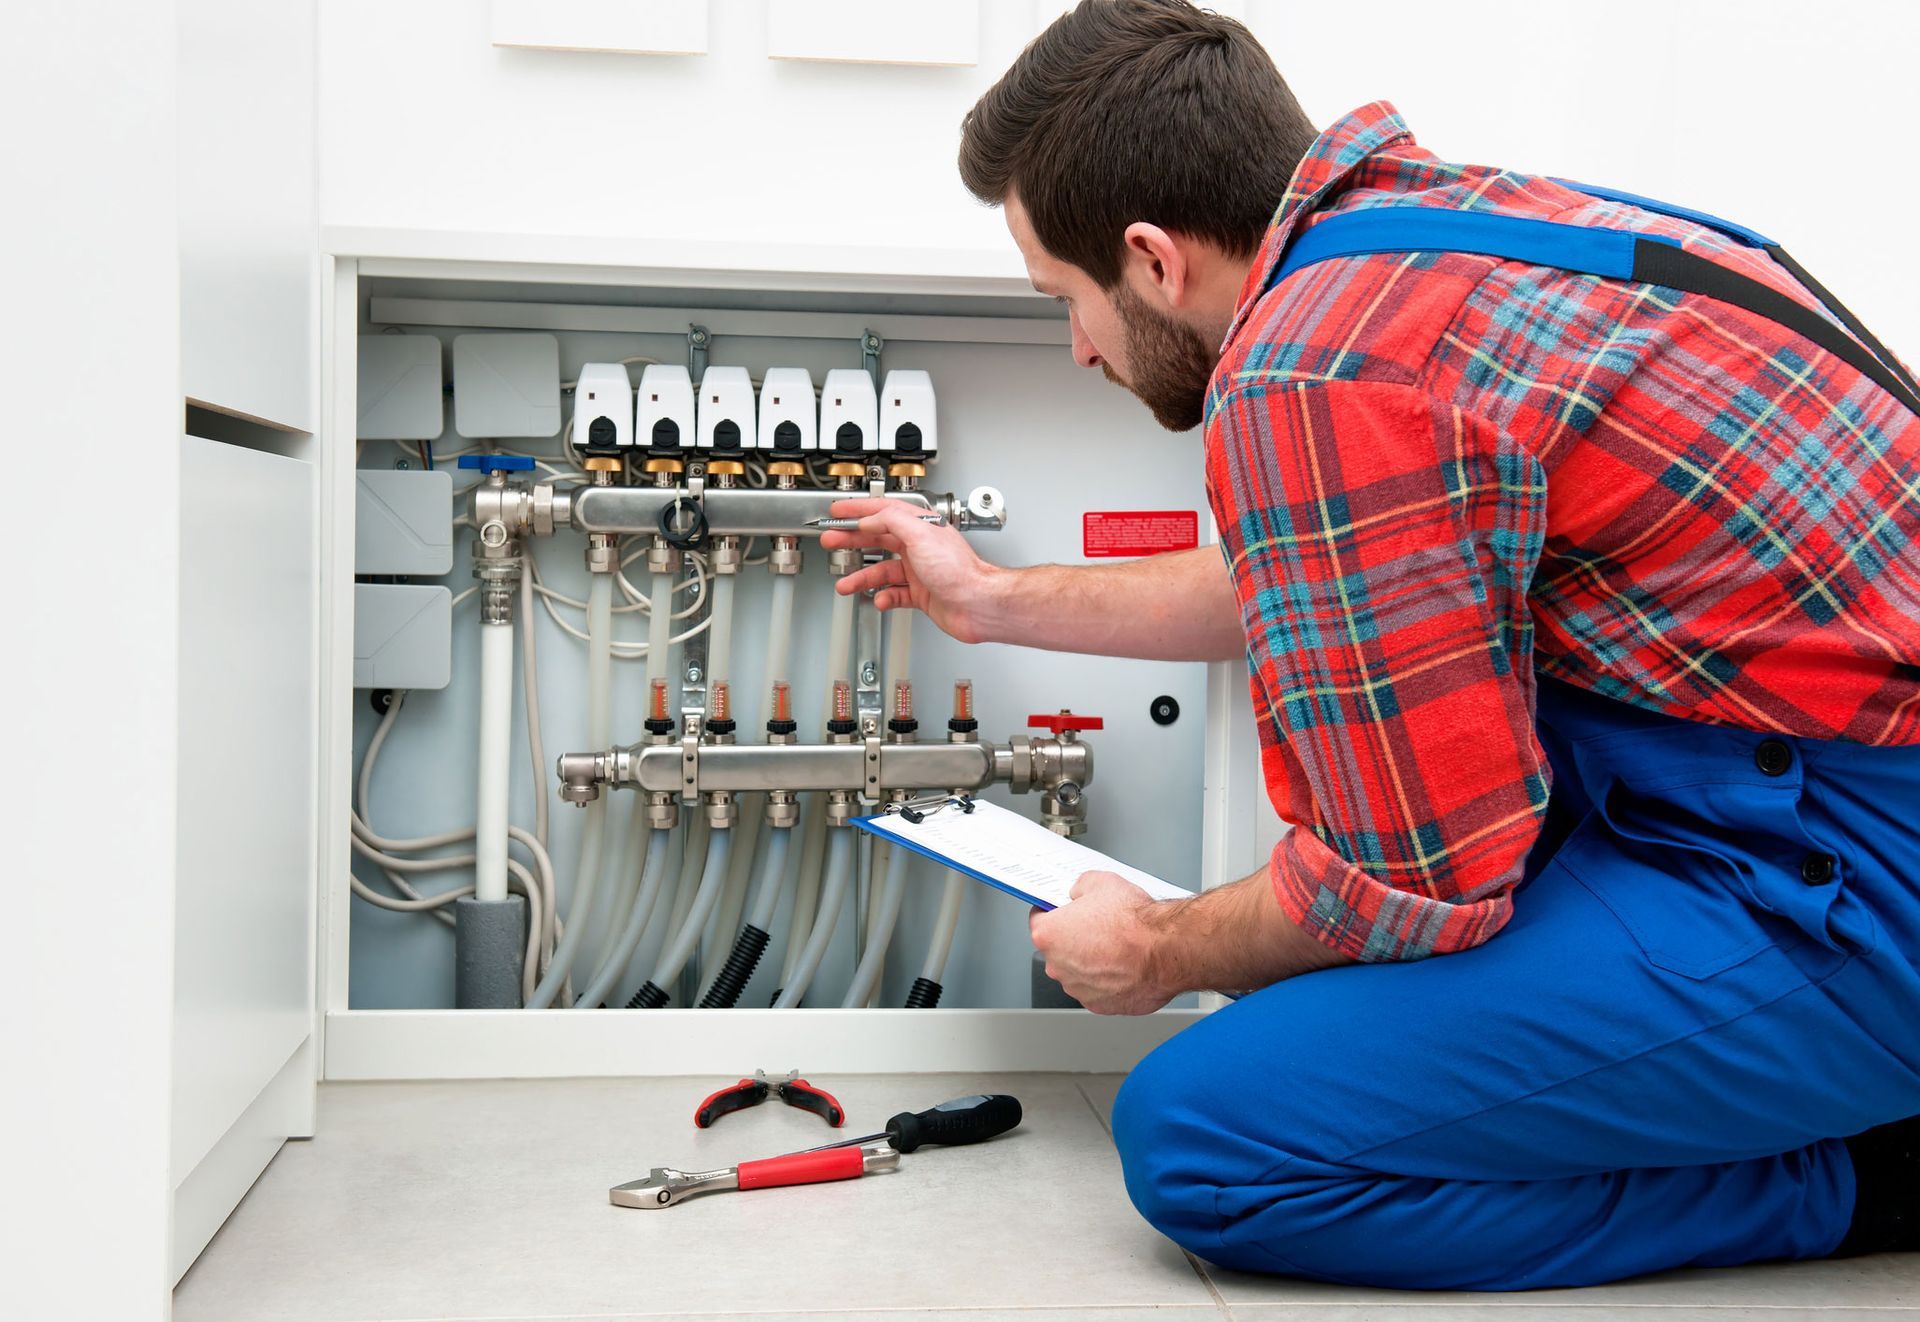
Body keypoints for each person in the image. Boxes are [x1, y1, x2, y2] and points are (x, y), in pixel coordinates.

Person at [818, 0, 1920, 1293]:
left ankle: (1861, 1171)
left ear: (1152, 261)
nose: (1079, 346)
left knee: (1206, 1134)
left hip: (1858, 882)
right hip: (1775, 786)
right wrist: (989, 599)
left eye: (1068, 299)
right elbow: (1316, 570)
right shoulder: (1420, 243)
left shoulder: (1302, 373)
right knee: (1310, 1015)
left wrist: (1159, 948)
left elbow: (1413, 883)